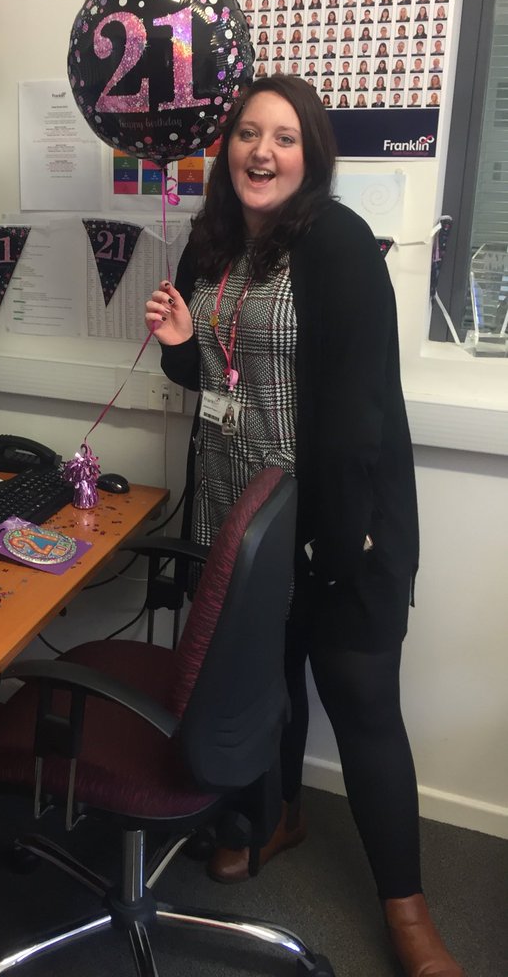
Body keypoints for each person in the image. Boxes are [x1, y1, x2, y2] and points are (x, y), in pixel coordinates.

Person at [145, 75, 465, 977]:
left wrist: (333, 543)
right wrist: (181, 345)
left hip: (340, 525)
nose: (262, 152)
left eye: (284, 138)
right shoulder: (209, 247)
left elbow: (363, 411)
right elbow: (203, 381)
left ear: (310, 156)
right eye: (248, 133)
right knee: (266, 680)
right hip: (239, 516)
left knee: (364, 707)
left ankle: (407, 911)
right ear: (227, 149)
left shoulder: (338, 243)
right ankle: (277, 815)